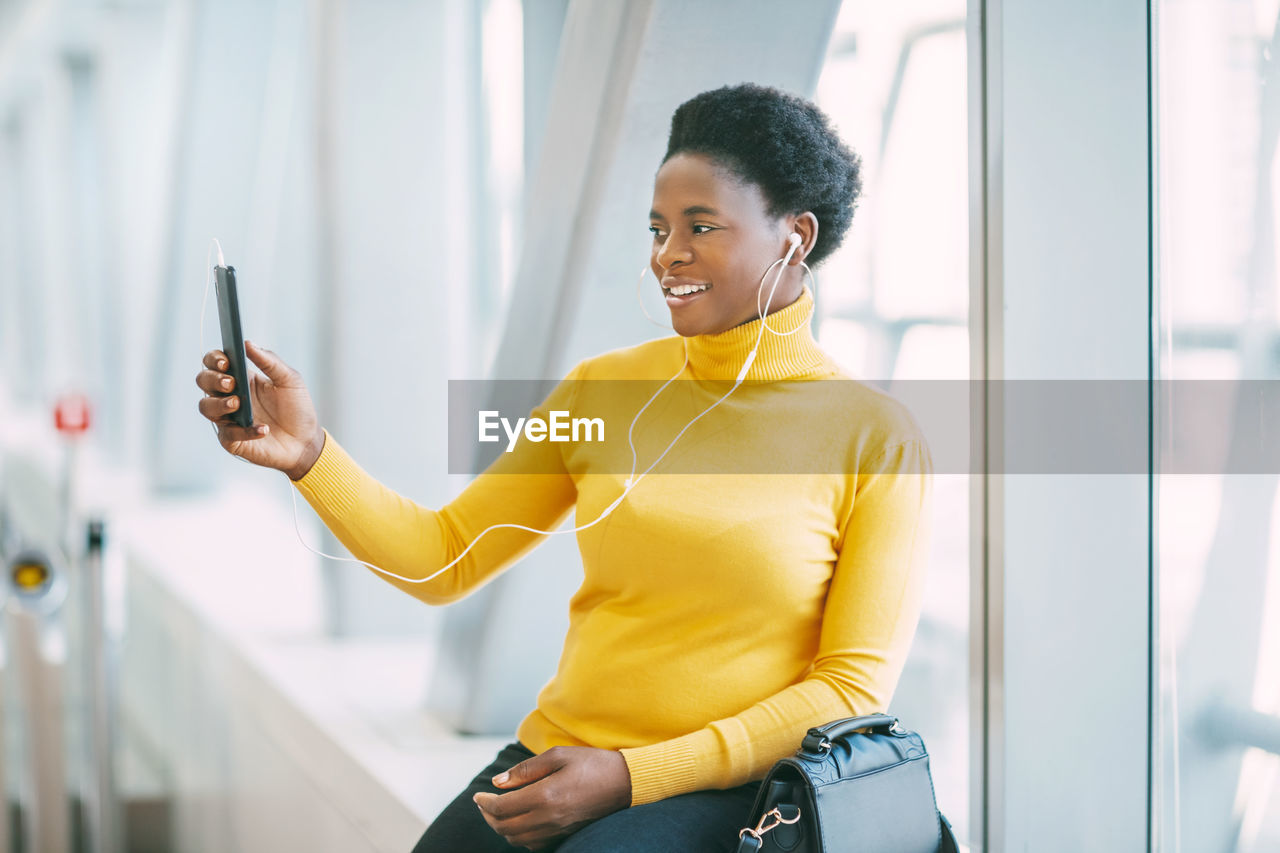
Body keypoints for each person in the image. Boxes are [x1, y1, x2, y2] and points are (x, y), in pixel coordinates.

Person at [196, 83, 933, 852]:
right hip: (559, 755)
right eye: (657, 227)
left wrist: (627, 776)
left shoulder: (875, 437)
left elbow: (849, 690)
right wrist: (311, 456)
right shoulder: (603, 389)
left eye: (700, 225)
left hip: (727, 788)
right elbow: (444, 557)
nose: (666, 254)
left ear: (795, 236)